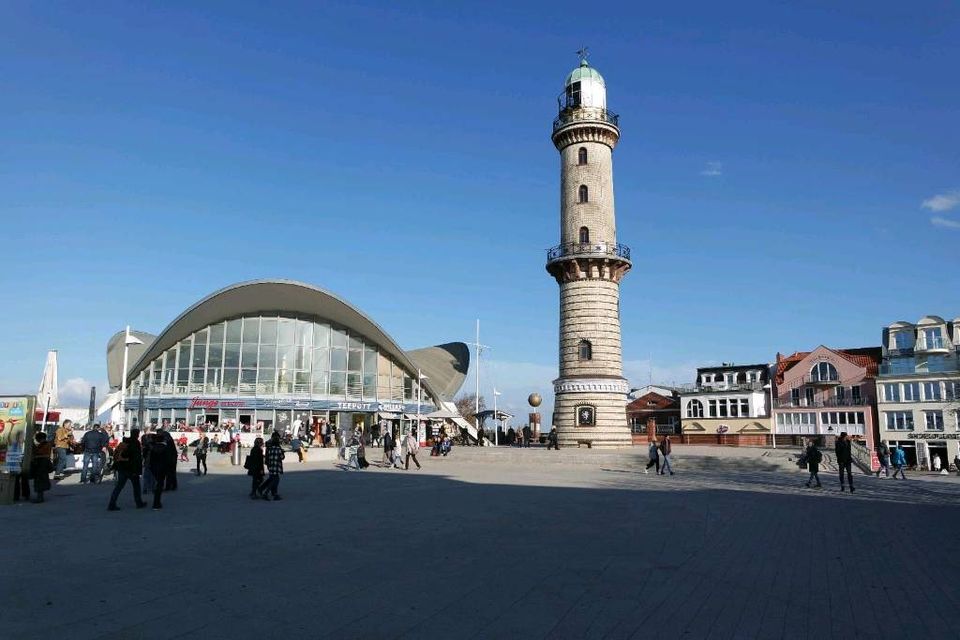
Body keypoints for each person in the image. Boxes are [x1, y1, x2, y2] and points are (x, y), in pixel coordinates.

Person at [108, 429, 146, 510]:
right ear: (137, 434)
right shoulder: (135, 443)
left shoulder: (125, 442)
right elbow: (136, 459)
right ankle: (138, 502)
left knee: (119, 486)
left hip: (122, 467)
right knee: (136, 487)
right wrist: (138, 471)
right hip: (131, 469)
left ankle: (112, 503)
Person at [148, 428, 175, 510]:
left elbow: (151, 459)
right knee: (159, 485)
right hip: (162, 469)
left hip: (154, 468)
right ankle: (156, 503)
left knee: (157, 484)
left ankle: (156, 501)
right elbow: (168, 459)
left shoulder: (153, 448)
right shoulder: (166, 448)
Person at [259, 432, 284, 500]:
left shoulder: (270, 445)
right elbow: (281, 456)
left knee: (272, 478)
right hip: (275, 464)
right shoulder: (274, 445)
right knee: (274, 479)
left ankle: (263, 489)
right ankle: (271, 493)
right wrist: (281, 451)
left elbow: (267, 454)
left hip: (270, 462)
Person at [31, 431, 54, 503]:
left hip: (41, 463)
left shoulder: (43, 445)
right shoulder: (48, 444)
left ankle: (40, 498)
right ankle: (40, 497)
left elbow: (37, 452)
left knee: (39, 480)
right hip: (45, 463)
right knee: (42, 479)